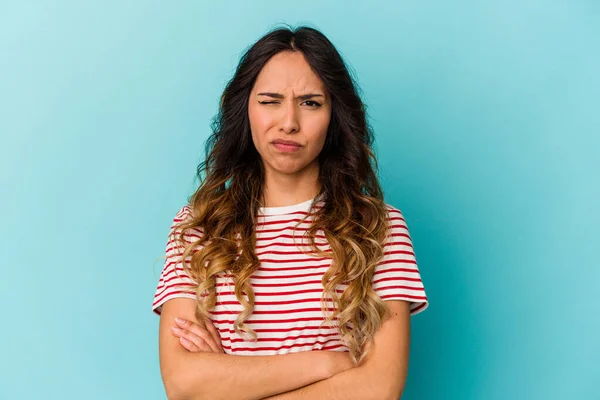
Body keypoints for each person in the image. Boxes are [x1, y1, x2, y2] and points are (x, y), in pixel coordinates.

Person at [152, 24, 429, 400]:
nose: (289, 122)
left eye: (311, 102)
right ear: (244, 109)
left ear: (334, 115)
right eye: (269, 100)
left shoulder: (378, 228)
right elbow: (183, 384)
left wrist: (231, 382)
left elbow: (378, 389)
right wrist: (328, 363)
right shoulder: (197, 227)